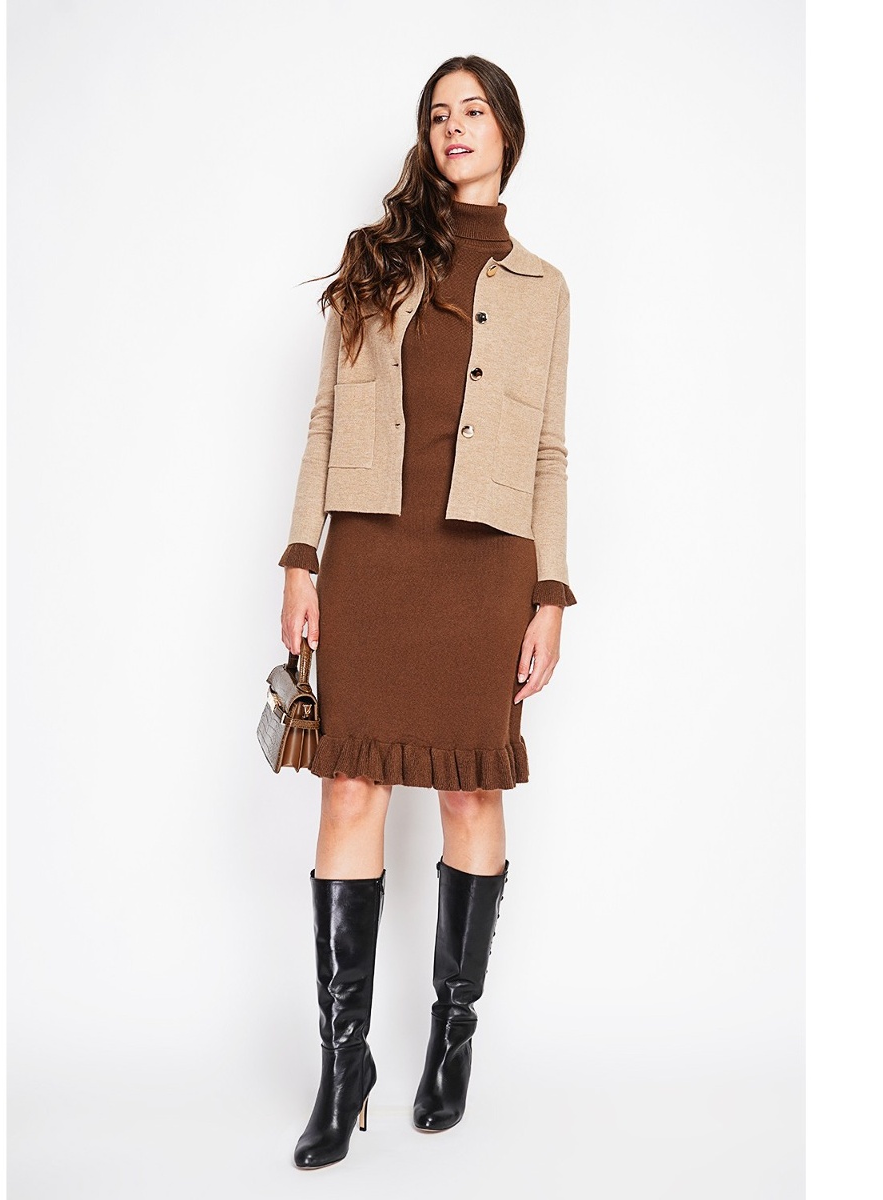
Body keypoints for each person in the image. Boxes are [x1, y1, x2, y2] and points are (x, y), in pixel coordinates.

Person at [278, 54, 577, 1170]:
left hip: (485, 567)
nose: (455, 127)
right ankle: (342, 1062)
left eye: (474, 111)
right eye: (439, 114)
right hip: (373, 557)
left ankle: (453, 1041)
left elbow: (549, 450)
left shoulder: (545, 289)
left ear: (507, 133)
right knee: (350, 783)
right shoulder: (376, 260)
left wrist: (550, 593)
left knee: (467, 788)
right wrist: (301, 560)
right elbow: (323, 418)